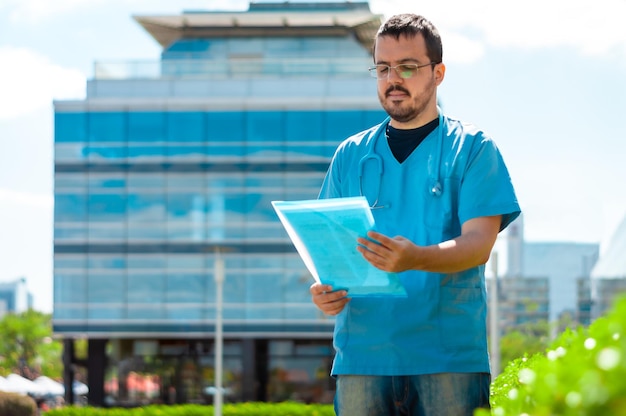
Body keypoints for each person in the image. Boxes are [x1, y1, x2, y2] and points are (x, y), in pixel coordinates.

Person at [309, 13, 521, 416]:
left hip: (447, 360)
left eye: (407, 67)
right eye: (384, 68)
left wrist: (415, 258)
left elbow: (478, 245)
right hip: (363, 360)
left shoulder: (473, 149)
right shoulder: (350, 156)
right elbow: (330, 252)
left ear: (438, 73)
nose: (394, 78)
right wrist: (326, 293)